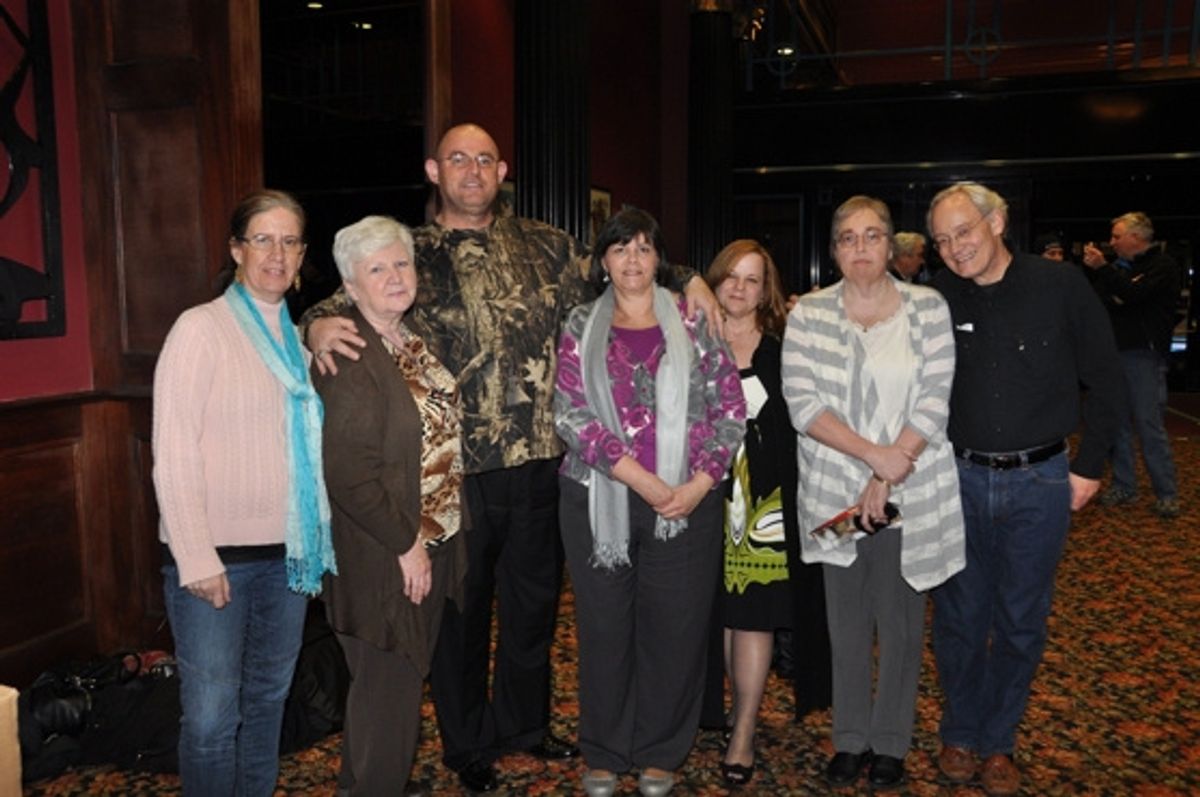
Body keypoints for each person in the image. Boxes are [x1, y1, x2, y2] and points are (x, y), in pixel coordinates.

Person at [302, 123, 720, 793]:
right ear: (434, 170)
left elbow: (625, 264)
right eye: (459, 159)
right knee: (460, 616)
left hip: (539, 459)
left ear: (503, 172)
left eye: (486, 160)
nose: (473, 170)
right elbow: (350, 292)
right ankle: (466, 742)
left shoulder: (548, 246)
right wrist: (315, 323)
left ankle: (523, 724)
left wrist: (692, 277)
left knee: (531, 606)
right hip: (454, 472)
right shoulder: (410, 252)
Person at [927, 182, 1125, 796]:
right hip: (957, 478)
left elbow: (1107, 379)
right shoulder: (935, 297)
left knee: (1019, 620)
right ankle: (960, 732)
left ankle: (999, 742)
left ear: (998, 222)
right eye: (942, 239)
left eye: (964, 231)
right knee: (959, 617)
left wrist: (1089, 467)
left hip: (1040, 481)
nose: (955, 248)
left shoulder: (1060, 286)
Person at [554, 208, 746, 797]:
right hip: (598, 500)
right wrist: (641, 478)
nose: (632, 260)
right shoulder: (579, 323)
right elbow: (570, 414)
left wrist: (696, 485)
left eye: (643, 248)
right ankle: (606, 752)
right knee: (606, 629)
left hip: (687, 502)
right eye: (619, 249)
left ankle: (662, 751)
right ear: (603, 261)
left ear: (658, 258)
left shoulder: (695, 321)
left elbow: (730, 412)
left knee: (675, 630)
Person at [152, 189, 337, 796]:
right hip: (216, 562)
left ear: (303, 252)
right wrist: (195, 556)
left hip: (286, 558)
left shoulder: (296, 341)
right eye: (262, 239)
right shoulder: (200, 329)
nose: (276, 254)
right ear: (236, 249)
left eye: (289, 241)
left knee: (266, 706)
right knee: (210, 719)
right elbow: (172, 451)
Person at [781, 195, 966, 792]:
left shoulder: (927, 306)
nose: (860, 249)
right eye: (848, 238)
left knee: (903, 622)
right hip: (836, 495)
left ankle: (890, 743)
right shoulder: (809, 314)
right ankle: (850, 740)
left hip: (909, 490)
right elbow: (804, 405)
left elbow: (934, 396)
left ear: (892, 244)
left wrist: (889, 469)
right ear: (834, 250)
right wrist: (870, 458)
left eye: (872, 236)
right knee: (847, 622)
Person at [313, 216, 467, 796]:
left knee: (378, 693)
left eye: (401, 263)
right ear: (349, 287)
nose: (395, 276)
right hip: (385, 554)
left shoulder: (406, 337)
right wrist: (407, 545)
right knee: (391, 694)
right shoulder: (349, 353)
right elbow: (349, 475)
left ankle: (359, 785)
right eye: (376, 268)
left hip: (423, 541)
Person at [704, 239, 827, 787]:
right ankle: (734, 708)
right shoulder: (693, 340)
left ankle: (744, 731)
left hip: (762, 509)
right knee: (723, 617)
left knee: (752, 616)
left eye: (752, 280)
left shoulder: (786, 346)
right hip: (701, 500)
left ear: (766, 290)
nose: (739, 288)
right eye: (731, 275)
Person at [1082, 212, 1181, 518]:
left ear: (1136, 237)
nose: (1111, 243)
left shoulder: (1162, 266)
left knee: (1148, 425)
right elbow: (1104, 301)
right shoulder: (1120, 270)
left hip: (1143, 356)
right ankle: (1125, 485)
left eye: (1116, 236)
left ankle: (1167, 492)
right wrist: (1117, 287)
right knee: (1118, 425)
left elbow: (1133, 295)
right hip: (1113, 354)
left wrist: (1108, 274)